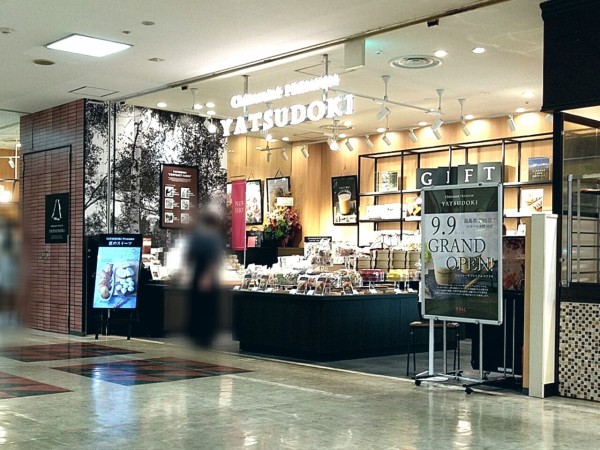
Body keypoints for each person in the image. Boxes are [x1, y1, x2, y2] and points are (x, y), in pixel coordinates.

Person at [185, 205, 223, 346]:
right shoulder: (213, 237)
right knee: (208, 307)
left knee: (197, 305)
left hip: (197, 273)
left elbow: (189, 256)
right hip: (208, 276)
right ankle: (206, 336)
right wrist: (207, 277)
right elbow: (214, 260)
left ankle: (197, 335)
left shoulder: (197, 236)